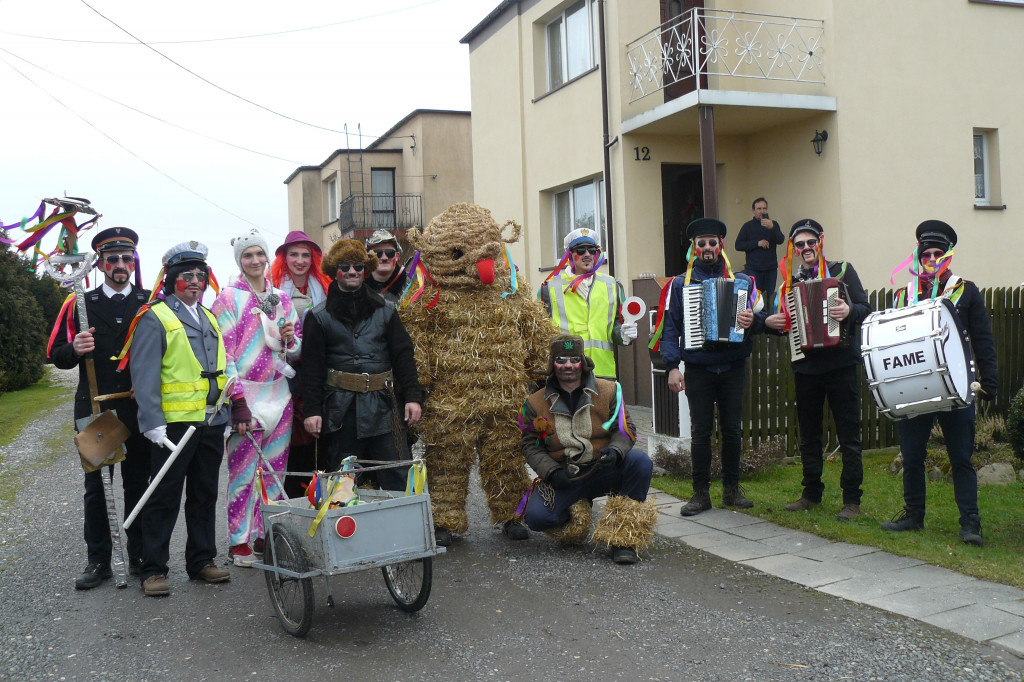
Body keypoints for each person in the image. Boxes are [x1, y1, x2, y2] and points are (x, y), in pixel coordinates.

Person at [127, 241, 237, 596]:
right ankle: (153, 569)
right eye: (187, 276)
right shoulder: (154, 316)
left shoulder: (208, 317)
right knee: (163, 496)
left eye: (200, 276)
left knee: (204, 495)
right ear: (171, 279)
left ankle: (202, 561)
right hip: (174, 427)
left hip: (210, 422)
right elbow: (143, 373)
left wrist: (228, 414)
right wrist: (151, 421)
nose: (195, 281)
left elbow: (220, 368)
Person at [881, 220, 997, 546]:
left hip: (957, 387)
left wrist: (989, 380)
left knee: (961, 456)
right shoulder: (905, 294)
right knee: (913, 455)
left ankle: (970, 523)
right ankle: (914, 516)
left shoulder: (965, 290)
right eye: (926, 254)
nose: (932, 259)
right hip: (918, 386)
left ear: (948, 256)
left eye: (938, 254)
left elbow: (983, 338)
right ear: (919, 257)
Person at [48, 227, 151, 589]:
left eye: (126, 258)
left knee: (139, 483)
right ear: (101, 264)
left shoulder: (150, 301)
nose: (120, 265)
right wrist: (75, 348)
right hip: (96, 408)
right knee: (97, 486)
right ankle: (99, 561)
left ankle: (139, 556)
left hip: (139, 408)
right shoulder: (80, 304)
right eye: (112, 259)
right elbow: (55, 355)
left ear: (133, 261)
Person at [765, 219, 872, 521]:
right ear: (795, 249)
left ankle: (852, 500)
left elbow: (866, 309)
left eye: (811, 242)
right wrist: (770, 325)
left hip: (841, 365)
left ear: (820, 242)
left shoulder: (842, 271)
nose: (806, 248)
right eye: (800, 245)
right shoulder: (790, 282)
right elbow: (784, 321)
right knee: (809, 434)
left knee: (849, 435)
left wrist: (849, 310)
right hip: (807, 366)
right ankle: (811, 493)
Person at [658, 217, 766, 515]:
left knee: (732, 430)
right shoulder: (681, 284)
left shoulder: (744, 282)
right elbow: (671, 328)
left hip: (732, 367)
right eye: (701, 243)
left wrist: (752, 321)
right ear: (693, 247)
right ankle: (700, 494)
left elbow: (762, 317)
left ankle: (731, 491)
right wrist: (672, 366)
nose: (707, 247)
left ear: (722, 245)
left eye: (712, 242)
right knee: (701, 431)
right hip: (699, 368)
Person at [520, 334, 655, 564]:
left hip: (603, 469)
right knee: (536, 518)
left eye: (574, 360)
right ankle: (578, 507)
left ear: (583, 361)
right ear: (553, 364)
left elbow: (625, 429)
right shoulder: (533, 402)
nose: (568, 366)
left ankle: (622, 540)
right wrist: (551, 472)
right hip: (566, 477)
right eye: (561, 360)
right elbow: (529, 445)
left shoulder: (610, 390)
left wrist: (615, 451)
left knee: (639, 462)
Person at [301, 239, 424, 490]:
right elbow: (311, 369)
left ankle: (399, 530)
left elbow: (403, 355)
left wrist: (413, 396)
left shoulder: (387, 311)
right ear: (334, 271)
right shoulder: (317, 316)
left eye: (358, 265)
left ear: (365, 269)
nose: (352, 271)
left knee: (397, 478)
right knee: (342, 485)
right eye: (344, 266)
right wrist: (312, 410)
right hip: (340, 412)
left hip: (385, 408)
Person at [212, 229, 301, 567]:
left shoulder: (280, 298)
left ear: (267, 258)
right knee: (243, 472)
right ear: (240, 261)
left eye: (258, 254)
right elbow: (225, 354)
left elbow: (294, 348)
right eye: (247, 256)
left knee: (275, 470)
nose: (254, 260)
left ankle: (269, 534)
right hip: (246, 396)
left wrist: (290, 339)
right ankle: (239, 542)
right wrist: (237, 399)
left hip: (279, 394)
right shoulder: (228, 298)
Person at [270, 230, 332, 498]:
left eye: (305, 255)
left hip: (317, 367)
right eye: (293, 254)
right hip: (284, 371)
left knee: (318, 435)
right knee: (292, 437)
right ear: (285, 258)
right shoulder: (272, 289)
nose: (299, 260)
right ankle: (292, 496)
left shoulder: (324, 286)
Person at [539, 228, 636, 379]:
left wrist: (624, 334)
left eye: (591, 250)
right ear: (570, 255)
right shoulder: (549, 288)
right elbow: (540, 333)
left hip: (603, 372)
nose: (587, 254)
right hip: (566, 373)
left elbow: (616, 325)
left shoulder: (612, 285)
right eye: (580, 250)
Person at [734, 197, 784, 313]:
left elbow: (780, 239)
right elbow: (738, 245)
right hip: (753, 269)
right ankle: (757, 323)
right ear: (753, 210)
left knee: (769, 297)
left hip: (770, 268)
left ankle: (768, 323)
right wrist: (757, 243)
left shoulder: (773, 224)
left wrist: (772, 228)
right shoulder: (747, 226)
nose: (762, 211)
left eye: (764, 208)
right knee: (755, 299)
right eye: (759, 208)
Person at [364, 228, 409, 304]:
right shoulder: (357, 285)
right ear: (368, 257)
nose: (384, 258)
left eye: (390, 253)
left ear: (397, 256)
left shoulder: (411, 285)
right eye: (377, 253)